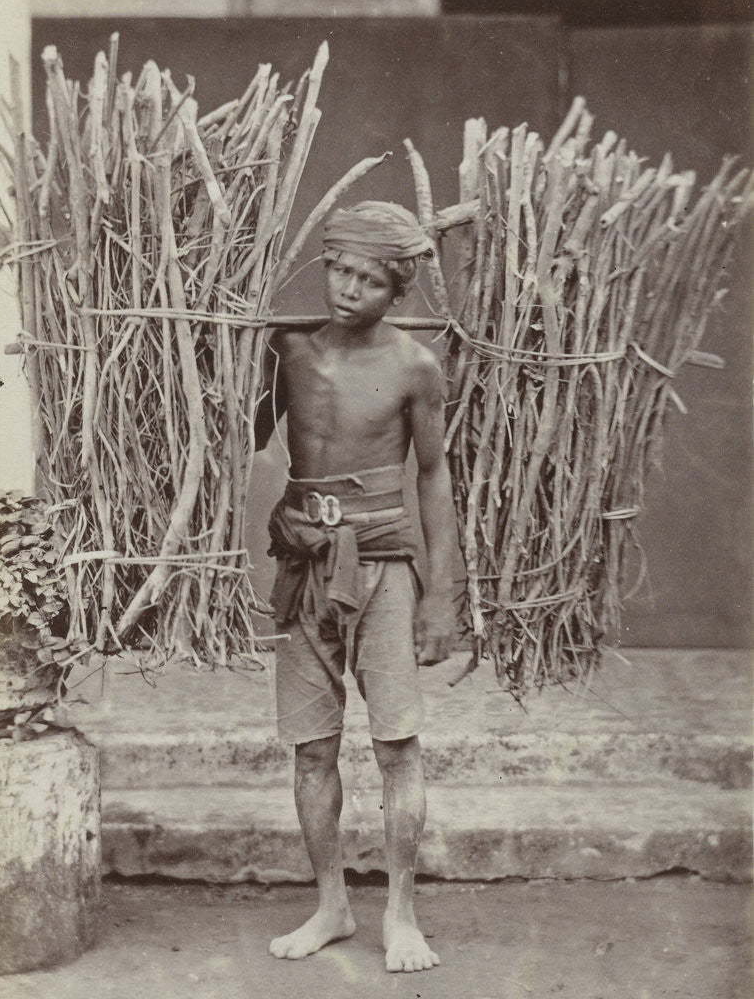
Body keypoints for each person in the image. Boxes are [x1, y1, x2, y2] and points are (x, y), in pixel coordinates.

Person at [254, 200, 455, 974]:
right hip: (304, 558)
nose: (348, 288)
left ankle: (401, 912)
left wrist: (442, 596)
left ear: (396, 289)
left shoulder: (414, 364)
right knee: (311, 748)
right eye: (338, 270)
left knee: (396, 743)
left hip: (381, 560)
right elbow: (235, 434)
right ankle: (332, 903)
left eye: (369, 279)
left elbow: (433, 475)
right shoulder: (288, 350)